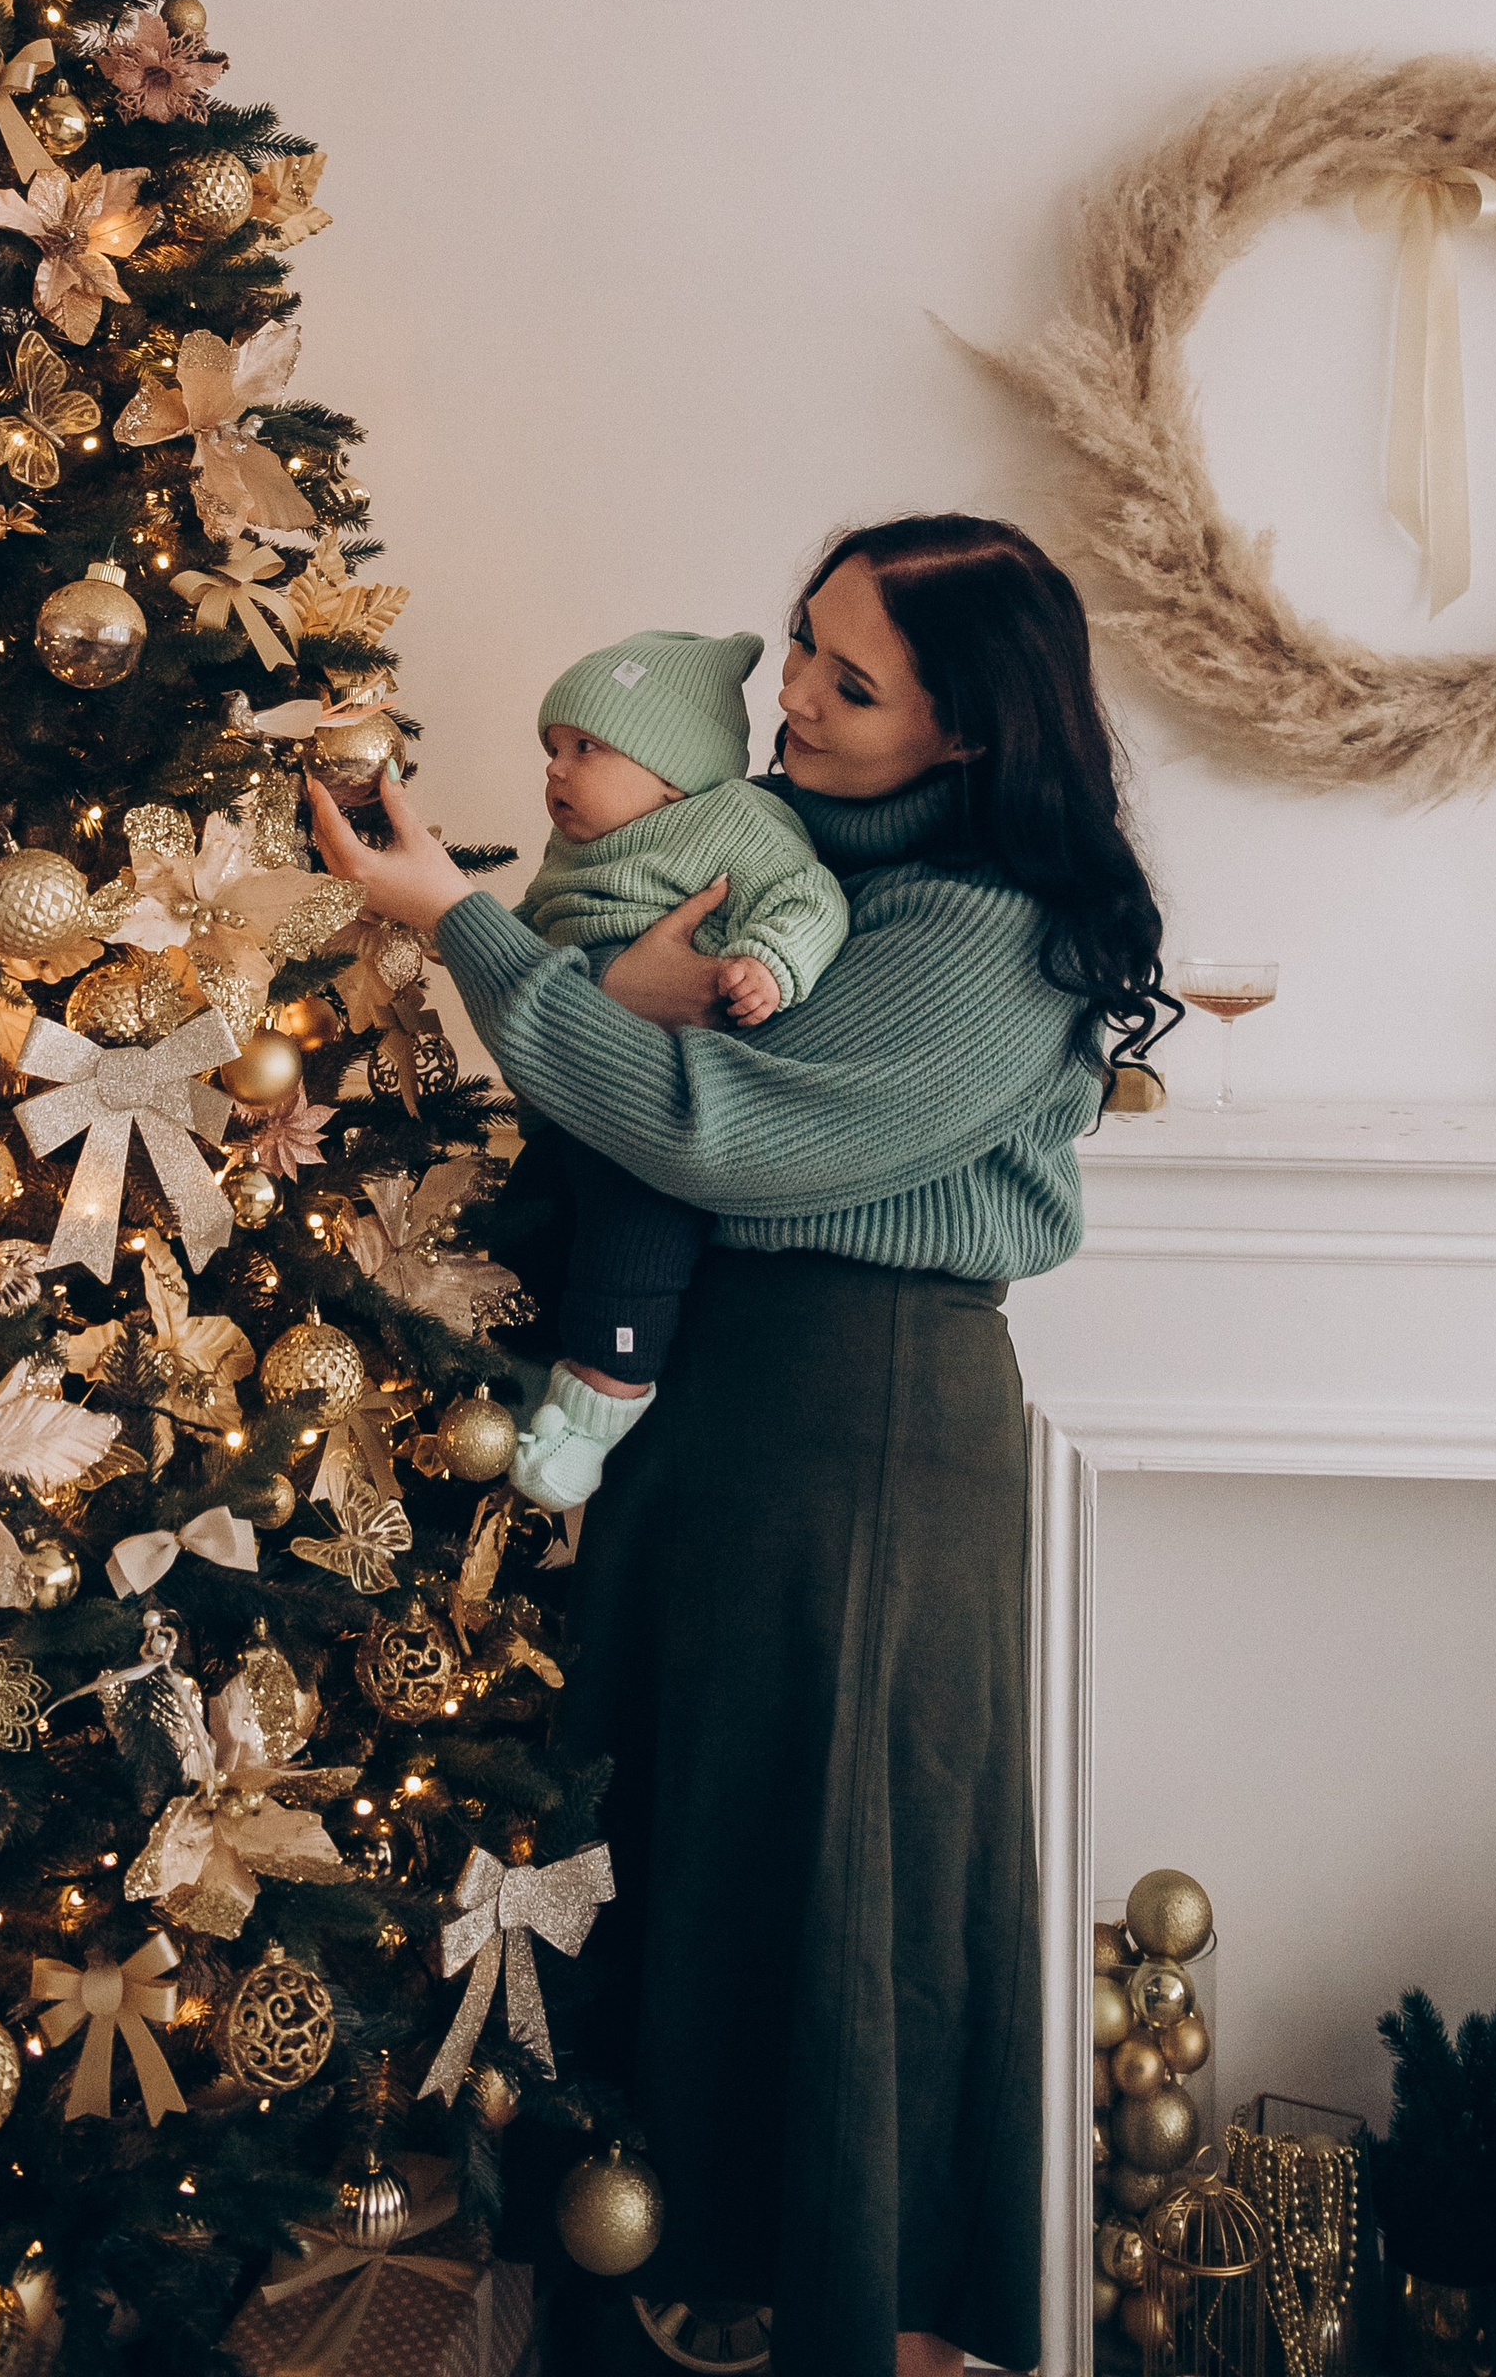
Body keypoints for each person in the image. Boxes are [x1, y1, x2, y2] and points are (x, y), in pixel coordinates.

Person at [307, 513, 1175, 2377]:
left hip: (859, 1438)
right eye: (799, 647)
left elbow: (711, 1131)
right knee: (664, 1882)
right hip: (722, 1421)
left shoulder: (989, 936)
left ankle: (852, 2331)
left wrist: (459, 925)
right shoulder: (779, 867)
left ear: (968, 734)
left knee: (830, 1897)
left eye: (850, 685)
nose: (792, 697)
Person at [505, 626, 851, 1512]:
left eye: (586, 747)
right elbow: (538, 922)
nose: (557, 769)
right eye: (553, 748)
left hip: (655, 1092)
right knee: (529, 1222)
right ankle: (519, 1371)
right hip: (568, 1093)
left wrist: (767, 962)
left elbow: (809, 897)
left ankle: (602, 1400)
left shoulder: (733, 820)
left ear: (674, 770)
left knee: (633, 1239)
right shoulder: (578, 850)